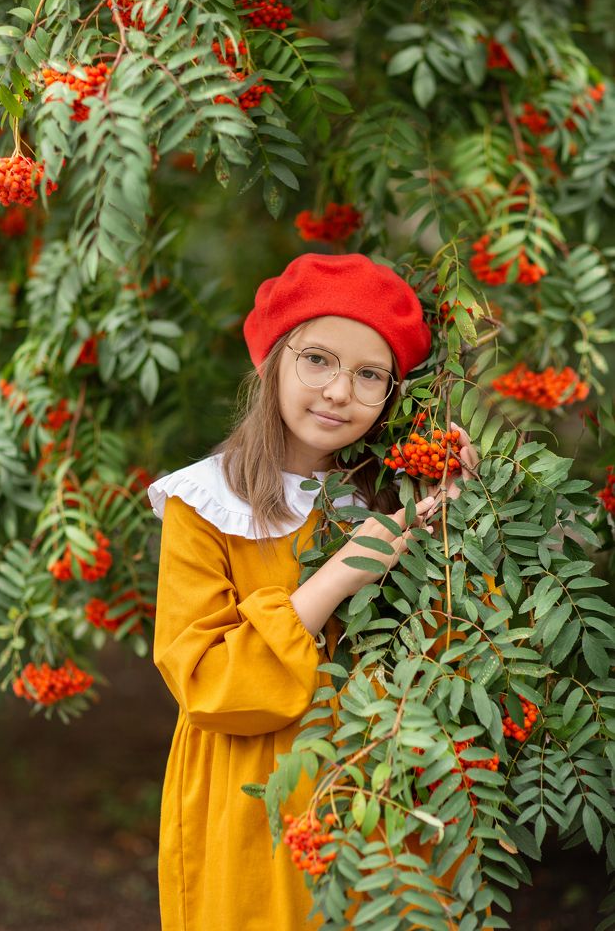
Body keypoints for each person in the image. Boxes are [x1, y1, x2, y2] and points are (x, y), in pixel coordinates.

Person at [148, 252, 478, 931]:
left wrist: (454, 508)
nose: (338, 392)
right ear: (271, 362)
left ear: (392, 395)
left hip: (381, 793)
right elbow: (205, 682)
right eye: (318, 360)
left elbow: (454, 661)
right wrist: (336, 577)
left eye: (368, 376)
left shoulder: (394, 500)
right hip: (250, 804)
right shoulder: (204, 504)